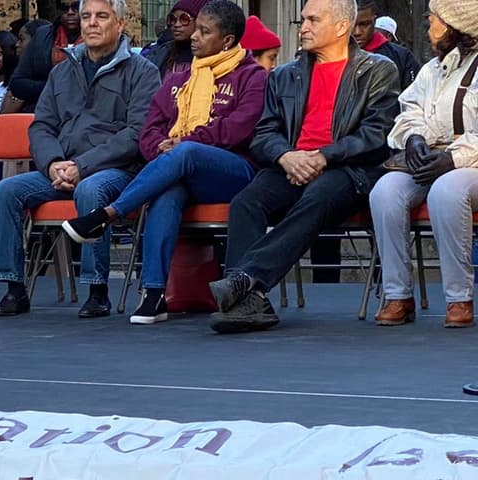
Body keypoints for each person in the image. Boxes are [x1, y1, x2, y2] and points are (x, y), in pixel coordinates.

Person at [62, 0, 266, 323]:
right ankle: (154, 294)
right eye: (195, 29)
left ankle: (108, 214)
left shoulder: (252, 76)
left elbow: (237, 129)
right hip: (179, 170)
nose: (194, 36)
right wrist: (161, 145)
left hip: (233, 171)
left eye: (204, 31)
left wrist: (183, 142)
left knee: (185, 153)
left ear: (227, 40)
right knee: (166, 193)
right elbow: (149, 129)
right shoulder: (178, 78)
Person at [210, 0, 399, 334]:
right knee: (247, 201)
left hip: (348, 170)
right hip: (292, 165)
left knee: (319, 195)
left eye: (313, 19)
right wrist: (286, 156)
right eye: (303, 19)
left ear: (341, 26)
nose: (304, 26)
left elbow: (376, 134)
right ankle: (248, 304)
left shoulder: (377, 69)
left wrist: (324, 155)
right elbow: (264, 133)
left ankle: (243, 279)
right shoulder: (284, 75)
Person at [0, 0, 160, 318]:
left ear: (120, 25)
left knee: (90, 189)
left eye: (101, 16)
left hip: (117, 170)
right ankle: (14, 288)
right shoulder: (63, 70)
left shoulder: (142, 72)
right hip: (61, 167)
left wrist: (83, 167)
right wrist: (53, 163)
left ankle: (97, 291)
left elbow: (136, 134)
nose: (91, 23)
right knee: (5, 191)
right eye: (86, 17)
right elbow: (41, 126)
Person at [369, 0, 478, 329]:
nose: (429, 26)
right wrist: (414, 140)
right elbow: (410, 111)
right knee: (385, 191)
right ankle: (397, 294)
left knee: (446, 192)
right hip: (435, 158)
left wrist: (452, 158)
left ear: (453, 26)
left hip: (469, 162)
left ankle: (459, 297)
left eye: (434, 19)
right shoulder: (433, 69)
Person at [2, 4, 82, 113]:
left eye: (76, 7)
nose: (70, 12)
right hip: (44, 115)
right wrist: (53, 87)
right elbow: (17, 84)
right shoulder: (42, 35)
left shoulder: (103, 37)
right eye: (64, 7)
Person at [354, 0, 420, 90]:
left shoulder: (402, 57)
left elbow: (412, 97)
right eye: (352, 24)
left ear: (374, 20)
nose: (357, 32)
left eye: (364, 24)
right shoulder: (331, 56)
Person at [144, 0, 209, 80]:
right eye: (172, 19)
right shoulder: (159, 53)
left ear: (199, 22)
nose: (176, 24)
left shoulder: (213, 57)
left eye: (184, 19)